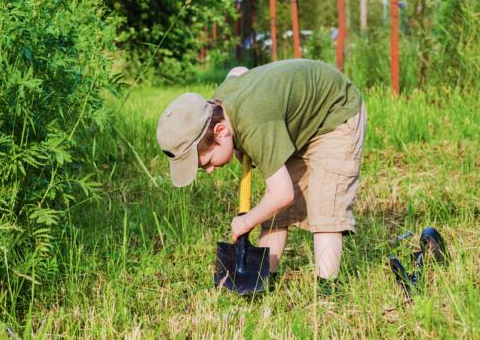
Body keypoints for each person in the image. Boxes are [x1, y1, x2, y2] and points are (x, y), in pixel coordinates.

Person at [156, 59, 366, 288]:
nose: (208, 170)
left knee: (325, 209)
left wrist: (246, 221)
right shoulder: (220, 104)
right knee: (274, 214)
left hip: (335, 114)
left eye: (206, 161)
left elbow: (282, 194)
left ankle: (326, 290)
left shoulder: (255, 125)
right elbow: (238, 71)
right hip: (297, 126)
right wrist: (238, 146)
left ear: (220, 130)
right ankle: (264, 280)